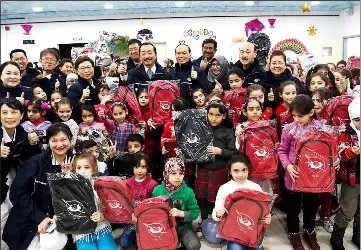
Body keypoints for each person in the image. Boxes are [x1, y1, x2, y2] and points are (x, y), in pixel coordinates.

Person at [277, 95, 340, 250]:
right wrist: (288, 166)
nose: (297, 119)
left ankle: (309, 231)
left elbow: (330, 150)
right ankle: (293, 232)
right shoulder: (289, 129)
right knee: (293, 208)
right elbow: (282, 150)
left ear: (311, 112)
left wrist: (335, 160)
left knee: (311, 207)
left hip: (314, 177)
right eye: (294, 115)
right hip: (294, 176)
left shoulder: (321, 128)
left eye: (301, 116)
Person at [3, 123, 73, 250]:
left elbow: (82, 196)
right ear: (48, 142)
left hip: (57, 219)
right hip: (29, 215)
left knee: (51, 244)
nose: (59, 145)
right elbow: (16, 192)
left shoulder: (79, 163)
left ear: (70, 139)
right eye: (54, 140)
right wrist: (40, 217)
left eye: (63, 139)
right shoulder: (36, 161)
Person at [212, 153, 272, 250]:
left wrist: (267, 219)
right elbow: (215, 215)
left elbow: (263, 213)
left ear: (248, 169)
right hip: (234, 233)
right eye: (236, 171)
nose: (240, 174)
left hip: (252, 233)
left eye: (244, 170)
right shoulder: (224, 188)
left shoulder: (255, 187)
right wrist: (219, 214)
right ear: (230, 171)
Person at [0, 98, 42, 237]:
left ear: (22, 115)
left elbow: (27, 158)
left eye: (14, 112)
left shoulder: (22, 133)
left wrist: (31, 144)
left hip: (9, 177)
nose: (9, 116)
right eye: (4, 112)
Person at [195, 100, 237, 236]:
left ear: (223, 116)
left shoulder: (228, 131)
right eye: (211, 114)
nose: (213, 118)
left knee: (219, 198)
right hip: (203, 170)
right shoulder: (201, 128)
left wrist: (220, 152)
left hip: (220, 170)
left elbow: (234, 152)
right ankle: (203, 222)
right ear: (206, 114)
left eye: (217, 115)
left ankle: (220, 222)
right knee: (204, 199)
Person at [151, 157, 201, 250]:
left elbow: (195, 213)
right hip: (163, 228)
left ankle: (179, 243)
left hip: (183, 228)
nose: (178, 177)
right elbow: (152, 211)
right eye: (173, 173)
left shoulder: (188, 192)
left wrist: (180, 213)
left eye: (181, 173)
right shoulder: (157, 190)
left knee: (194, 245)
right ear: (166, 173)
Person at [330, 98, 360, 250]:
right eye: (357, 120)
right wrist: (351, 152)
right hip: (352, 180)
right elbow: (340, 154)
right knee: (347, 210)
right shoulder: (346, 133)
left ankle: (357, 235)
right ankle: (336, 237)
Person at [70, 153, 117, 250]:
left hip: (101, 227)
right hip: (82, 232)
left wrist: (103, 215)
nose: (82, 171)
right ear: (74, 170)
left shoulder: (100, 186)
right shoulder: (70, 189)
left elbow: (111, 207)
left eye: (87, 167)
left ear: (94, 169)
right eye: (79, 168)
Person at [119, 152, 158, 248]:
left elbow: (155, 206)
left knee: (145, 244)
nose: (139, 171)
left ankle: (140, 237)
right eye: (136, 167)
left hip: (148, 220)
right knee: (124, 243)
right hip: (133, 220)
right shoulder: (127, 183)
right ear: (132, 168)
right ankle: (136, 237)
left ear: (147, 167)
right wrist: (131, 215)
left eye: (143, 167)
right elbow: (125, 203)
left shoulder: (153, 184)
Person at [67, 56, 100, 123]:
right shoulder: (74, 88)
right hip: (84, 125)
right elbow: (72, 112)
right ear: (76, 71)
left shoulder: (98, 83)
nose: (86, 71)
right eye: (82, 68)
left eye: (88, 67)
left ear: (93, 68)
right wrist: (82, 99)